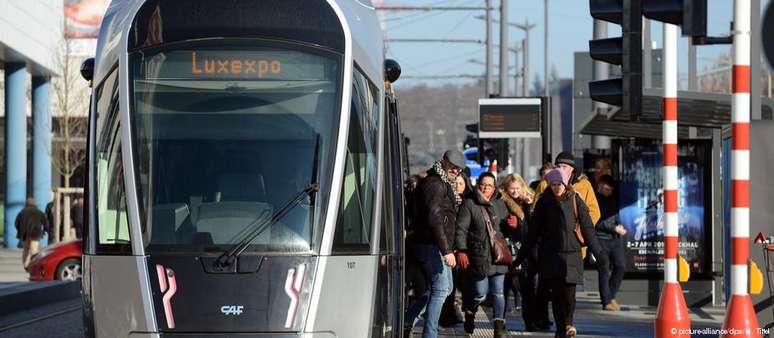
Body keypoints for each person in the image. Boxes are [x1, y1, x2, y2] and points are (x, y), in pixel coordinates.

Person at [520, 169, 607, 338]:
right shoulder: (544, 202)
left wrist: (599, 252)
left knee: (569, 295)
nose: (556, 188)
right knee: (558, 295)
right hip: (551, 256)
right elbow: (533, 233)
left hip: (573, 255)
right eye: (552, 184)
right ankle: (561, 329)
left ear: (565, 184)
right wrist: (522, 256)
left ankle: (568, 322)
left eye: (559, 184)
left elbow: (588, 228)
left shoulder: (576, 200)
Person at [404, 150, 465, 338]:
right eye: (453, 166)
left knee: (443, 289)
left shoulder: (442, 182)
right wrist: (447, 250)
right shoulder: (436, 184)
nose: (455, 171)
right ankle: (429, 334)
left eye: (458, 168)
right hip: (431, 244)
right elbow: (434, 217)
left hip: (435, 243)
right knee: (440, 289)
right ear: (443, 161)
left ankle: (407, 321)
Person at [454, 172, 511, 337]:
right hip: (479, 255)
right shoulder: (469, 203)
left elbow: (506, 228)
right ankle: (470, 313)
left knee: (499, 292)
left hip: (498, 256)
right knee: (480, 293)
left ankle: (499, 327)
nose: (486, 188)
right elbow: (461, 230)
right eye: (483, 184)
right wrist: (462, 250)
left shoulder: (500, 204)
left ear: (494, 188)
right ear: (478, 184)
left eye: (489, 185)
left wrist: (513, 224)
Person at [498, 173, 535, 326]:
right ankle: (500, 321)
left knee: (527, 288)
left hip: (524, 250)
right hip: (506, 249)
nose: (514, 191)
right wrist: (507, 223)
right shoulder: (501, 201)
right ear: (506, 189)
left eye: (517, 188)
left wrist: (529, 206)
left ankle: (530, 320)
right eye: (511, 189)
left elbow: (533, 224)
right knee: (503, 288)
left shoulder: (529, 201)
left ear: (522, 187)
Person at [439, 173, 472, 327]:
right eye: (455, 183)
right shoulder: (448, 201)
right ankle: (447, 314)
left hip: (465, 249)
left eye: (461, 183)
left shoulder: (469, 202)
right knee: (448, 286)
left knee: (465, 285)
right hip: (450, 249)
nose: (458, 186)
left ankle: (466, 313)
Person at [594, 175, 627, 311]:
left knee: (620, 266)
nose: (609, 192)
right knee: (604, 270)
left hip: (614, 239)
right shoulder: (595, 200)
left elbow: (615, 215)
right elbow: (597, 222)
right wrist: (614, 228)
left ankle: (611, 295)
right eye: (607, 189)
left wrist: (619, 225)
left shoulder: (612, 199)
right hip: (601, 239)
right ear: (600, 186)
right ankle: (606, 301)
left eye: (611, 190)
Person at [15, 197, 48, 268]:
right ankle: (31, 265)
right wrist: (45, 230)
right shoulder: (39, 212)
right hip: (36, 233)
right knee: (33, 250)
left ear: (26, 204)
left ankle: (25, 265)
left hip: (24, 234)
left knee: (26, 250)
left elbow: (16, 223)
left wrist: (19, 230)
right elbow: (45, 222)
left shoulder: (22, 212)